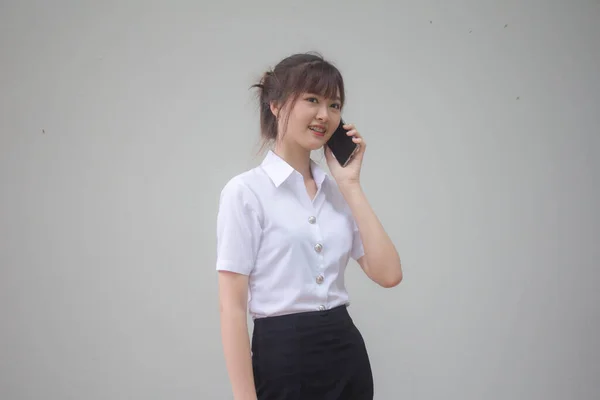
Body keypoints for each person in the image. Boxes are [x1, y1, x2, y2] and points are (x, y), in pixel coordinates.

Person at [215, 52, 403, 400]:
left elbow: (389, 274)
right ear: (276, 105)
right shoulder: (245, 193)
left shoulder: (338, 192)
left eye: (334, 105)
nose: (324, 115)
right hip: (282, 357)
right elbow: (232, 307)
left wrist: (350, 184)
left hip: (346, 352)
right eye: (312, 100)